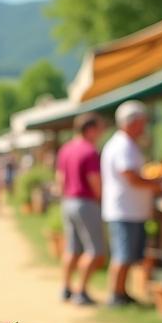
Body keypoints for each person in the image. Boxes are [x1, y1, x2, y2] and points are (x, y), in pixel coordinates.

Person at [101, 100, 162, 307]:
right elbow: (131, 177)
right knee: (122, 254)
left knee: (126, 255)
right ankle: (115, 295)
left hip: (128, 209)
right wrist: (158, 185)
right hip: (124, 210)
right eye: (142, 122)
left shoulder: (124, 144)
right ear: (132, 122)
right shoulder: (123, 145)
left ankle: (121, 292)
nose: (143, 127)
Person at [56, 112, 106, 305]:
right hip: (85, 202)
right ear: (90, 129)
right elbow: (95, 181)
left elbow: (60, 179)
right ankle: (81, 292)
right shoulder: (90, 151)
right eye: (99, 129)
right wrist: (101, 198)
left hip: (68, 201)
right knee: (94, 250)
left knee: (72, 249)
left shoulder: (65, 149)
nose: (101, 133)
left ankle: (66, 288)